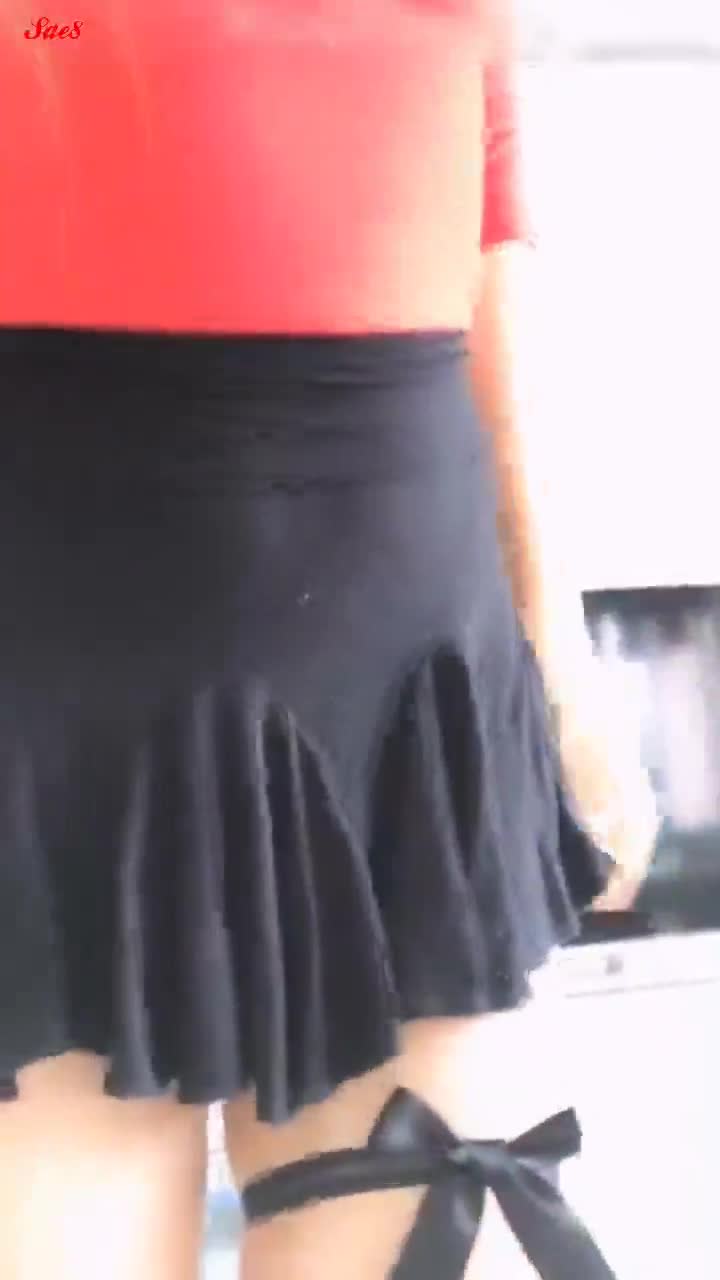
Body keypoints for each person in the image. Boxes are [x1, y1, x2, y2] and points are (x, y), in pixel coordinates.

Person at [0, 4, 658, 1278]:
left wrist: (566, 669)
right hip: (46, 677)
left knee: (451, 1223)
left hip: (416, 690)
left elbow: (488, 231)